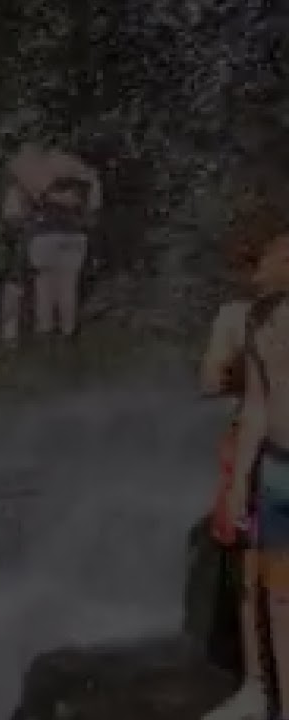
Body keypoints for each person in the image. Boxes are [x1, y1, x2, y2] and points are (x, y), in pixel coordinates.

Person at [228, 232, 289, 720]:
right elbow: (255, 406)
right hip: (275, 473)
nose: (253, 274)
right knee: (280, 598)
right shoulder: (257, 321)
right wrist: (238, 483)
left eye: (260, 261)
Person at [199, 262, 263, 720]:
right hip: (260, 453)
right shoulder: (240, 316)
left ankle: (259, 683)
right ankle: (259, 683)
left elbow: (212, 382)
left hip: (262, 453)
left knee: (259, 573)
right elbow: (213, 380)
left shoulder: (240, 315)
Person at [0, 139, 102, 342]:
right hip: (75, 235)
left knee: (44, 288)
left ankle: (45, 335)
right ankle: (68, 334)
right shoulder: (79, 173)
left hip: (43, 234)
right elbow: (93, 207)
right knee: (69, 287)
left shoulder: (28, 172)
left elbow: (14, 215)